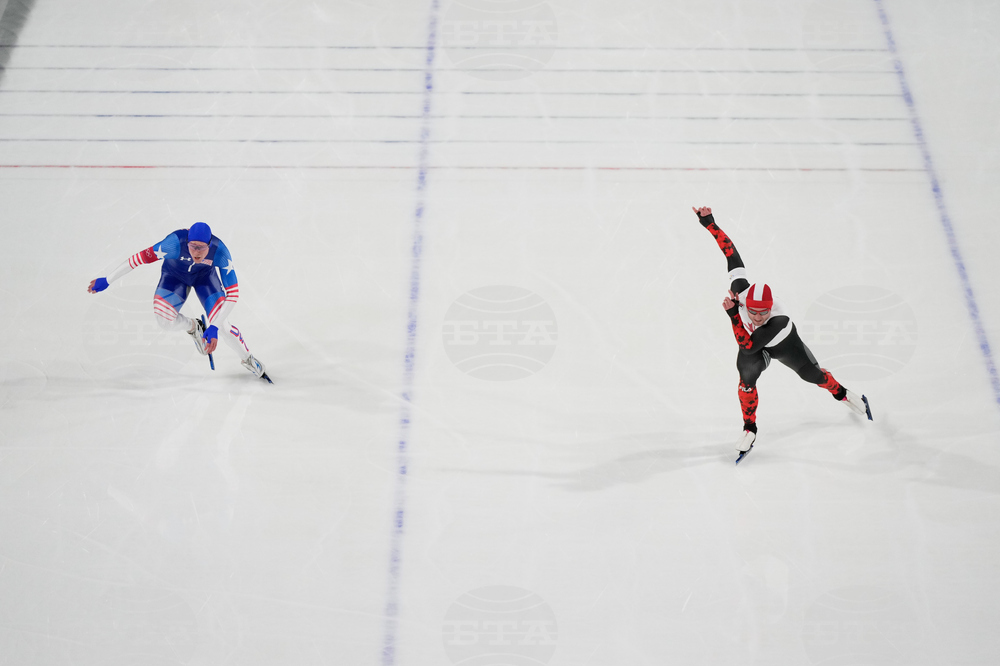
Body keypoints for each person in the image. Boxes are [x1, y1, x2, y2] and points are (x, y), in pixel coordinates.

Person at [693, 206, 870, 456]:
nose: (757, 316)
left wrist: (734, 316)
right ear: (746, 301)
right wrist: (710, 223)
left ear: (770, 308)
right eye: (752, 312)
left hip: (784, 345)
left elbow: (748, 344)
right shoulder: (741, 290)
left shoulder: (779, 320)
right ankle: (750, 429)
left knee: (813, 376)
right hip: (756, 346)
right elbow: (730, 253)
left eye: (762, 313)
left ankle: (842, 393)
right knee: (746, 377)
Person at [87, 222, 268, 380]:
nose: (196, 252)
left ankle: (248, 358)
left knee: (223, 327)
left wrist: (214, 326)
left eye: (201, 248)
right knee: (164, 321)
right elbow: (137, 259)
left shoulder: (220, 251)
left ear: (210, 245)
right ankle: (193, 326)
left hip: (205, 280)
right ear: (187, 242)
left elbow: (233, 294)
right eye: (192, 246)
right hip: (174, 277)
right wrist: (107, 280)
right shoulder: (173, 243)